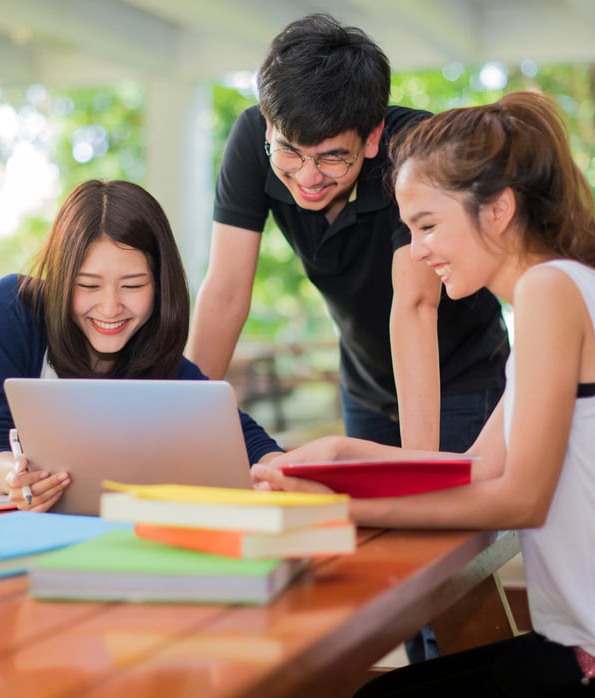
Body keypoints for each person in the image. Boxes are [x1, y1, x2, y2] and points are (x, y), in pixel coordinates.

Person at [251, 91, 595, 697]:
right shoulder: (572, 293)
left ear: (496, 210)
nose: (416, 251)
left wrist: (342, 509)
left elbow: (519, 499)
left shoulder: (553, 292)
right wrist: (345, 457)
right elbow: (476, 467)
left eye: (426, 226)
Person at [186, 12, 508, 662]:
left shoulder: (415, 149)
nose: (306, 177)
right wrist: (173, 419)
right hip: (365, 377)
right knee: (370, 572)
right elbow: (225, 293)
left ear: (371, 137)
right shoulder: (254, 140)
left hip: (459, 378)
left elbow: (412, 307)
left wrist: (416, 475)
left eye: (330, 156)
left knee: (438, 570)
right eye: (289, 153)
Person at [0, 179, 283, 512]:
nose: (110, 308)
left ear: (160, 285)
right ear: (61, 278)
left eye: (133, 285)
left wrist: (276, 469)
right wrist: (15, 478)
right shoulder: (13, 308)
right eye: (88, 286)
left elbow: (234, 433)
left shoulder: (153, 353)